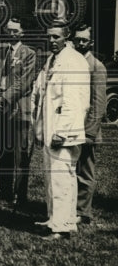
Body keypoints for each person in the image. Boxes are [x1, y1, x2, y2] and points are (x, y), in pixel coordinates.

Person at [32, 23, 89, 238]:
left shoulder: (74, 61)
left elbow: (74, 101)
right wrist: (39, 128)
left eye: (56, 37)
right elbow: (42, 93)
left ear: (66, 38)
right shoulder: (52, 60)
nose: (51, 41)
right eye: (49, 37)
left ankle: (63, 225)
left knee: (62, 177)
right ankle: (54, 219)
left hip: (63, 131)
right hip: (50, 127)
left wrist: (62, 132)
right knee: (52, 177)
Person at [0, 19, 38, 208]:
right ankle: (5, 191)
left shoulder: (29, 54)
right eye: (8, 30)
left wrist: (5, 98)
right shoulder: (1, 52)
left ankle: (20, 194)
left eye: (15, 30)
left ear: (22, 33)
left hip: (19, 109)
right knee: (4, 151)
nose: (11, 33)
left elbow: (24, 82)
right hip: (1, 107)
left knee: (20, 154)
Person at [73, 26, 107, 225]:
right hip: (71, 126)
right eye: (77, 40)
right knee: (72, 169)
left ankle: (83, 211)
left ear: (91, 43)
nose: (80, 44)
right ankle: (73, 206)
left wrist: (90, 132)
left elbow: (99, 103)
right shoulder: (73, 62)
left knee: (85, 171)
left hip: (86, 129)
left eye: (84, 41)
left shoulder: (96, 66)